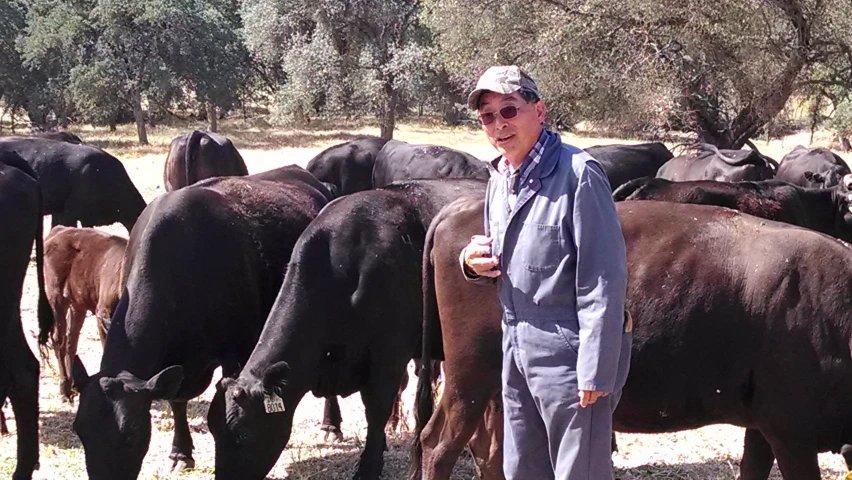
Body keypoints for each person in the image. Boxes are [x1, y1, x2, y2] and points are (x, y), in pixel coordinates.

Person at [460, 65, 632, 480]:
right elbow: (504, 256)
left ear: (539, 110)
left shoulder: (578, 174)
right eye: (488, 116)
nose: (499, 125)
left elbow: (603, 279)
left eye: (509, 110)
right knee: (522, 468)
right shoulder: (500, 178)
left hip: (568, 350)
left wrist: (593, 367)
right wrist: (471, 262)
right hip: (516, 343)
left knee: (580, 472)